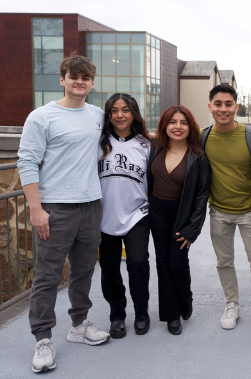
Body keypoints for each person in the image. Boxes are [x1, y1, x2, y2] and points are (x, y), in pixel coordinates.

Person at [18, 55, 110, 373]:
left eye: (85, 78)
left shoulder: (98, 115)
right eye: (74, 77)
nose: (79, 82)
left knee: (83, 271)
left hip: (91, 206)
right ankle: (43, 339)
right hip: (55, 209)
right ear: (63, 79)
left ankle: (79, 325)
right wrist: (36, 209)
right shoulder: (42, 117)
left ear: (92, 83)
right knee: (47, 277)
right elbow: (27, 162)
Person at [201, 84, 251, 330]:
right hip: (218, 210)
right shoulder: (203, 136)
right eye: (217, 104)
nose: (223, 109)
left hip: (250, 212)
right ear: (210, 107)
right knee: (224, 261)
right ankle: (232, 303)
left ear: (236, 107)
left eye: (228, 104)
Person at [146, 106, 211, 335]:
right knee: (163, 263)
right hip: (157, 213)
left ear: (190, 127)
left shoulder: (199, 156)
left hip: (182, 217)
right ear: (165, 125)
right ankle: (172, 315)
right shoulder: (154, 148)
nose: (178, 127)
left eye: (183, 122)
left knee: (177, 262)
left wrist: (192, 229)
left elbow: (202, 195)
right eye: (172, 122)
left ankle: (185, 298)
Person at [97, 93, 152, 339]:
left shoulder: (146, 144)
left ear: (134, 114)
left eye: (125, 110)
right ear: (108, 115)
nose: (120, 115)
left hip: (137, 213)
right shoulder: (98, 143)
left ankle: (141, 312)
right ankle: (117, 315)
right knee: (109, 268)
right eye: (114, 110)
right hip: (104, 215)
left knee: (138, 263)